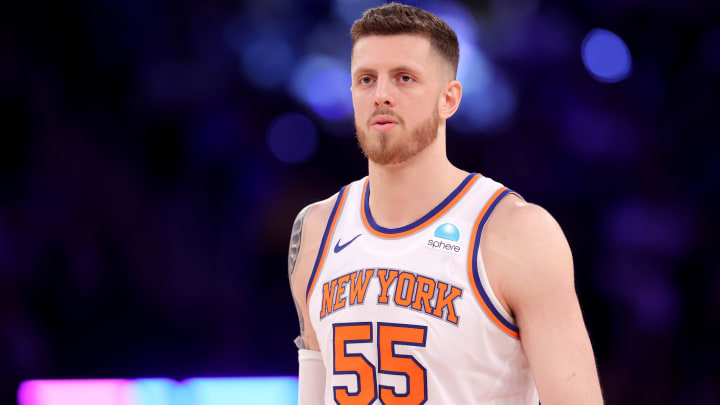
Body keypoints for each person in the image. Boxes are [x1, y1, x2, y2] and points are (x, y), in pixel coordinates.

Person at [288, 3, 603, 404]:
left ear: (448, 99)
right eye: (366, 79)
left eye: (404, 78)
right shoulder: (315, 229)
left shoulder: (515, 232)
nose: (382, 95)